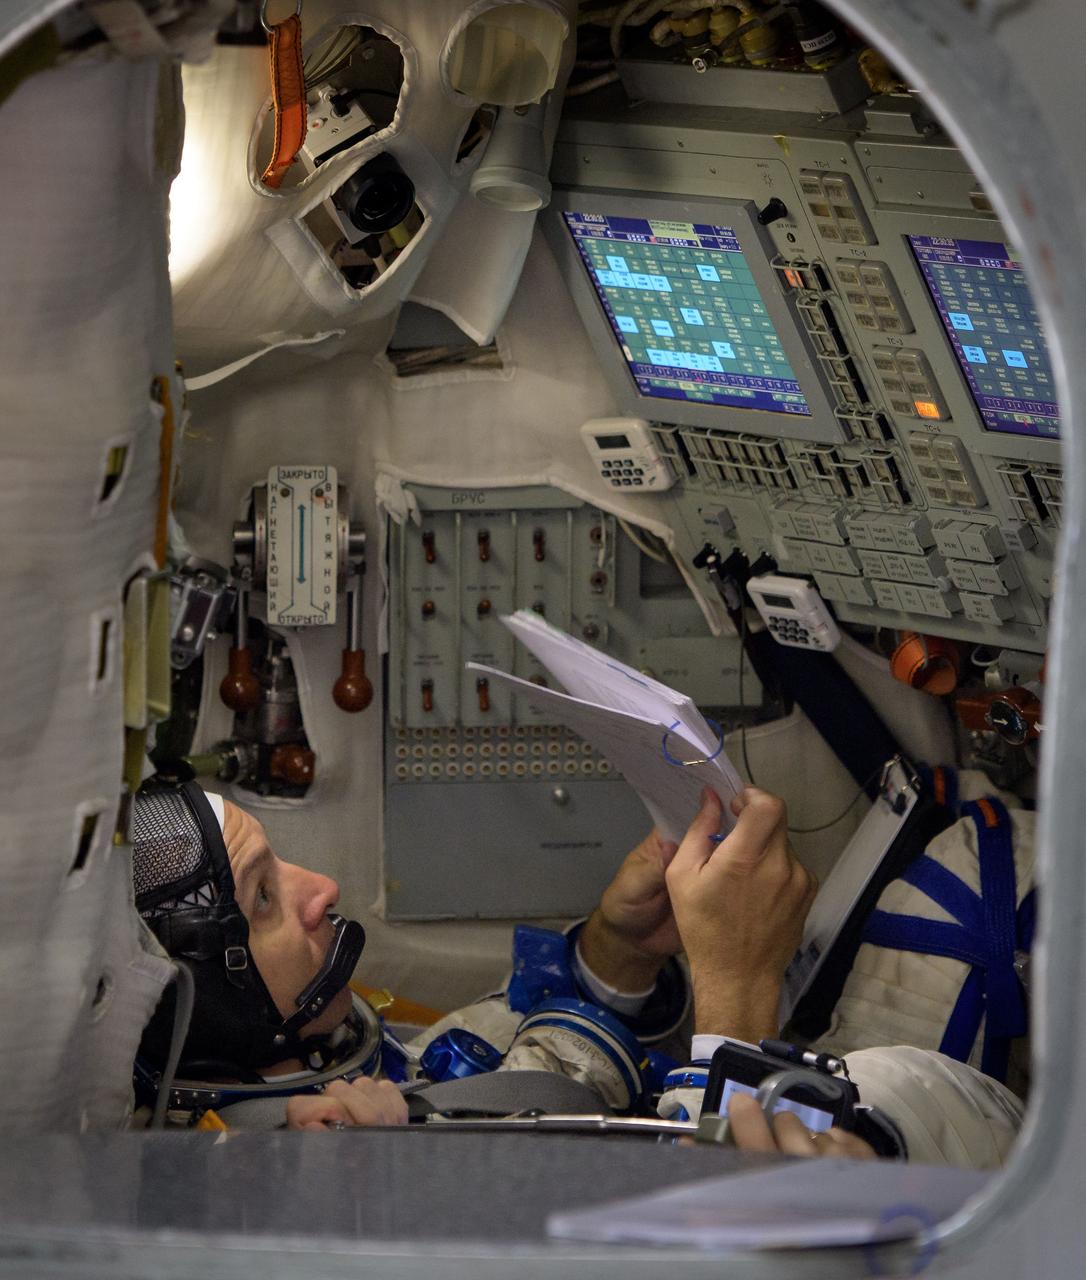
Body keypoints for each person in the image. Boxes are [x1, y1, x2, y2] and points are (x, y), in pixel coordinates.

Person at [133, 779, 1026, 1165]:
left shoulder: (321, 1075)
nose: (320, 889)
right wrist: (737, 999)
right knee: (894, 1070)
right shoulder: (298, 1179)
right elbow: (709, 1241)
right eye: (264, 897)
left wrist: (617, 953)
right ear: (204, 998)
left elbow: (483, 1079)